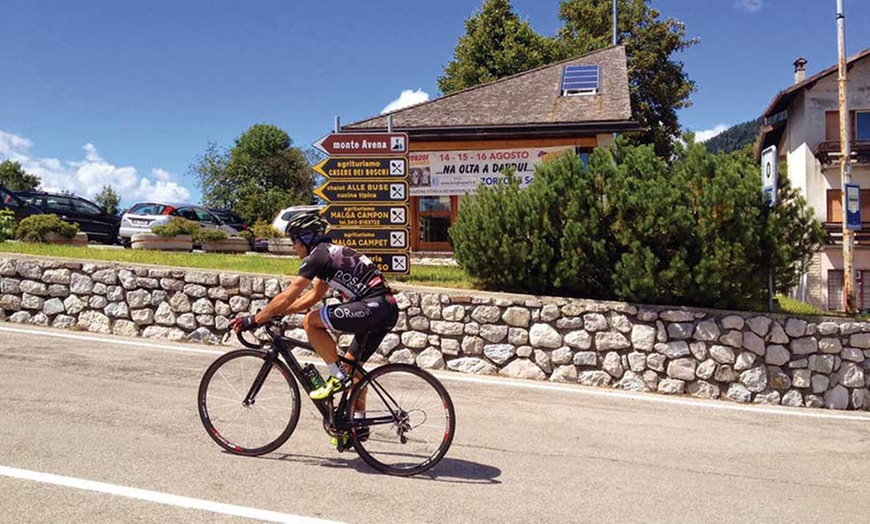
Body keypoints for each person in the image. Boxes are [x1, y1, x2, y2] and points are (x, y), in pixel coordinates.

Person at [229, 210, 399, 406]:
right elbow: (314, 296)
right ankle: (355, 429)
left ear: (305, 238)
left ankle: (337, 378)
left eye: (294, 240)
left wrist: (255, 319)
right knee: (353, 372)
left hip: (373, 307)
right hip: (385, 309)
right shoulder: (328, 255)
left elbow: (289, 295)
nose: (293, 246)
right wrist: (280, 312)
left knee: (310, 321)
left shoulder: (317, 256)